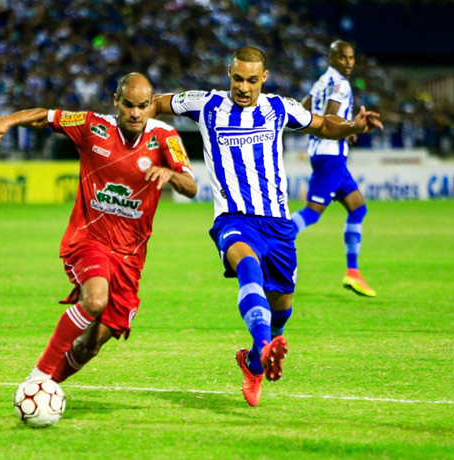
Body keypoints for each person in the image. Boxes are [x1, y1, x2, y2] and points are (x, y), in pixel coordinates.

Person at [152, 46, 382, 406]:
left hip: (277, 225)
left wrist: (354, 126)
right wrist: (135, 138)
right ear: (229, 73)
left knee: (282, 308)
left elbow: (323, 124)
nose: (244, 87)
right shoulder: (206, 104)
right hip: (233, 219)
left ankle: (254, 361)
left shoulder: (279, 108)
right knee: (247, 267)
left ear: (265, 78)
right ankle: (264, 345)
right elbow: (155, 103)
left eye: (252, 80)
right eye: (238, 78)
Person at [0, 73, 197, 384]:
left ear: (151, 106)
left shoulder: (165, 137)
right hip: (89, 241)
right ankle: (37, 379)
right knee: (94, 300)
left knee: (90, 346)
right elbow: (46, 117)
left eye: (144, 106)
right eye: (129, 105)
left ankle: (46, 390)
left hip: (130, 258)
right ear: (116, 101)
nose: (136, 113)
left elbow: (191, 186)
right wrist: (6, 121)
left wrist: (170, 174)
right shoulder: (93, 126)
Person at [291, 40, 376, 297]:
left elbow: (301, 110)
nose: (348, 63)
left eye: (351, 58)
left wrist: (344, 130)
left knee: (358, 207)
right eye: (342, 57)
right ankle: (270, 243)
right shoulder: (340, 84)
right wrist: (348, 127)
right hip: (330, 158)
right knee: (312, 214)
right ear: (331, 58)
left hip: (327, 155)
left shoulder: (322, 82)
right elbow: (330, 117)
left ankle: (353, 273)